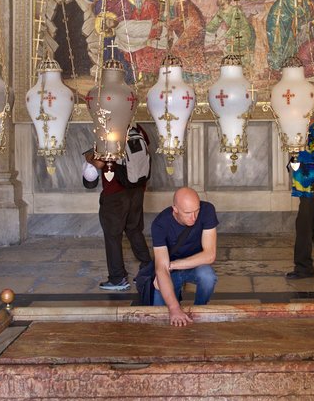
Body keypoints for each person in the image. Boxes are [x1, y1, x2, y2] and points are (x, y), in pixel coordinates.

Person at [83, 124, 153, 291]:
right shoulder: (137, 128)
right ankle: (148, 268)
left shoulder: (110, 130)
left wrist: (88, 157)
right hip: (137, 188)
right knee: (134, 229)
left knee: (112, 235)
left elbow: (99, 163)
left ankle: (117, 278)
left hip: (115, 192)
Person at [151, 187, 219, 327]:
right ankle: (175, 301)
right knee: (158, 314)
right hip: (169, 273)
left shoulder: (207, 210)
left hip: (191, 266)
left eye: (196, 211)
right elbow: (161, 268)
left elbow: (210, 256)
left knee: (208, 276)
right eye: (187, 213)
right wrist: (174, 308)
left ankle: (200, 309)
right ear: (175, 209)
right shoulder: (160, 224)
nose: (193, 217)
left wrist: (172, 265)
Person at [286, 110, 314, 279]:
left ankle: (304, 267)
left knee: (304, 227)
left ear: (309, 114)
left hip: (312, 190)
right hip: (306, 189)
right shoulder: (304, 133)